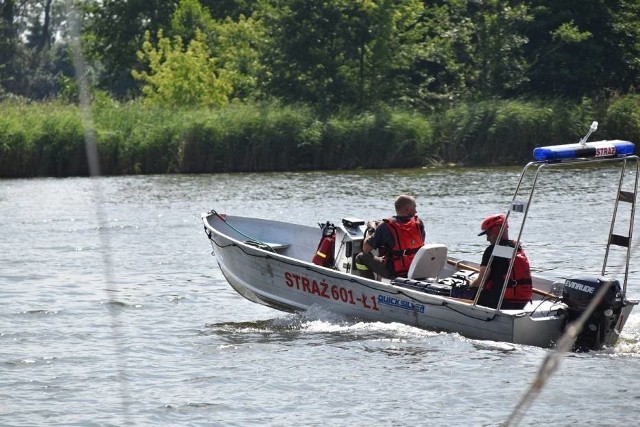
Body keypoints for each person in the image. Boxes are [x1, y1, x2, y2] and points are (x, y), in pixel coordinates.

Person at [467, 213, 533, 309]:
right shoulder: (516, 247)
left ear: (497, 230)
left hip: (501, 301)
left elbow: (481, 280)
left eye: (488, 234)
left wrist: (470, 285)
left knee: (463, 292)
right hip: (522, 301)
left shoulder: (492, 250)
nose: (487, 239)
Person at [354, 195, 425, 279]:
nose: (416, 211)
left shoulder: (385, 226)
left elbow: (366, 248)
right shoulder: (418, 223)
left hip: (395, 272)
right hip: (416, 269)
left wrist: (372, 229)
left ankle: (370, 285)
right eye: (414, 207)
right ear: (407, 208)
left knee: (360, 257)